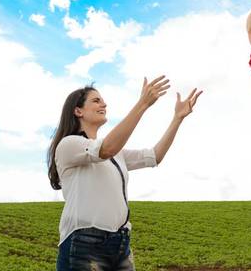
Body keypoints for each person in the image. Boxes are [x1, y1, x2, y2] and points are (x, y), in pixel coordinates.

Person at [48, 75, 202, 271]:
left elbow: (154, 156)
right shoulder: (69, 144)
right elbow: (106, 148)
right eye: (96, 100)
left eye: (103, 100)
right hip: (85, 241)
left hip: (120, 243)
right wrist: (143, 104)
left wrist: (177, 119)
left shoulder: (115, 153)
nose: (104, 104)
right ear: (78, 111)